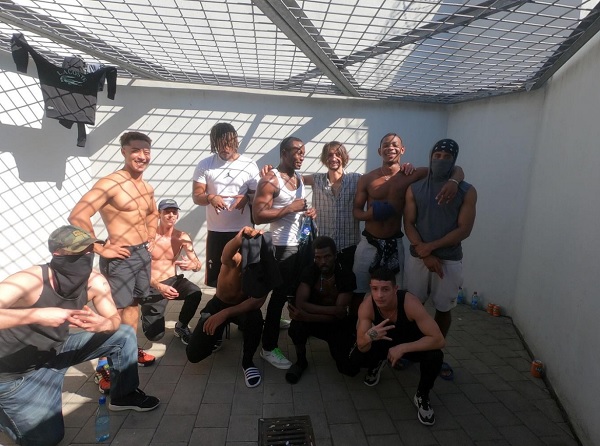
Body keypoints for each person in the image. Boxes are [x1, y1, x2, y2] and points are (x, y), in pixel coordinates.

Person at [0, 225, 159, 446]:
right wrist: (35, 315)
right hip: (17, 373)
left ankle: (124, 395)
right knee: (47, 439)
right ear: (57, 254)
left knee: (122, 334)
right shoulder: (31, 280)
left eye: (89, 250)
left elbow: (114, 319)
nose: (86, 255)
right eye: (77, 252)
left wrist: (106, 323)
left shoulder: (94, 281)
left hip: (56, 351)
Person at [69, 131, 158, 369]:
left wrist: (151, 235)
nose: (142, 156)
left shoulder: (146, 187)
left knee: (133, 305)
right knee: (113, 311)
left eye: (146, 151)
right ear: (124, 152)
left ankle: (129, 349)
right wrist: (99, 247)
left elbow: (153, 213)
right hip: (121, 256)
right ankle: (103, 364)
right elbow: (78, 215)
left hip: (142, 254)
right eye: (136, 151)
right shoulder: (110, 183)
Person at [352, 133, 464, 294]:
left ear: (402, 150)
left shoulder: (413, 175)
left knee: (395, 291)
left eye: (395, 145)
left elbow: (455, 169)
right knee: (359, 289)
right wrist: (371, 214)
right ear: (379, 151)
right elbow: (356, 212)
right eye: (386, 145)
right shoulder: (367, 179)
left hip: (394, 242)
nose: (390, 148)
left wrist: (454, 182)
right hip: (369, 242)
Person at [404, 138, 477, 381]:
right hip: (419, 259)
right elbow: (409, 223)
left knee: (444, 309)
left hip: (449, 261)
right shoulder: (415, 187)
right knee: (412, 307)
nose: (441, 160)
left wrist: (431, 248)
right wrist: (424, 253)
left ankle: (435, 353)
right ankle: (412, 350)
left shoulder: (466, 190)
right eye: (437, 155)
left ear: (454, 160)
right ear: (431, 156)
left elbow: (464, 229)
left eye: (447, 157)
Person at [252, 136, 316, 370]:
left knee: (290, 293)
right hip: (281, 247)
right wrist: (290, 208)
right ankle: (268, 348)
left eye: (303, 153)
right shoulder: (270, 180)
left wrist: (308, 212)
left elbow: (296, 210)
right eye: (297, 152)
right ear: (283, 153)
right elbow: (258, 215)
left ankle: (282, 326)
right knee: (278, 297)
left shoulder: (298, 177)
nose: (301, 156)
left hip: (299, 245)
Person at [186, 226, 278, 388]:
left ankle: (247, 362)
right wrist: (239, 237)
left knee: (255, 320)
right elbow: (225, 255)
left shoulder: (267, 269)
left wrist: (225, 314)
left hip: (242, 307)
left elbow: (256, 302)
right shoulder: (236, 260)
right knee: (194, 354)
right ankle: (218, 333)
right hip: (219, 304)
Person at [351, 267, 445, 426]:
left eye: (385, 289)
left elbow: (439, 340)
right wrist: (370, 336)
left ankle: (422, 395)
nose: (379, 295)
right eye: (375, 289)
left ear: (395, 289)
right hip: (384, 342)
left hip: (411, 344)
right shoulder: (367, 306)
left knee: (435, 356)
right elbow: (361, 345)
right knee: (356, 358)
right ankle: (378, 362)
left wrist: (403, 348)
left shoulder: (410, 303)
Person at [192, 122, 260, 287]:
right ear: (214, 143)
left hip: (244, 231)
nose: (225, 148)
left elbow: (259, 197)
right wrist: (211, 198)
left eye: (228, 143)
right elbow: (196, 196)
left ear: (235, 141)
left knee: (245, 277)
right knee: (218, 281)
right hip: (217, 231)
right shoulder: (205, 165)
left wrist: (246, 198)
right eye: (220, 144)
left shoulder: (249, 165)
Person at [285, 236, 358, 384]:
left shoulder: (345, 275)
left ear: (335, 255)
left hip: (336, 325)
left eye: (327, 256)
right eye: (318, 257)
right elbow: (301, 303)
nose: (322, 261)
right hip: (316, 320)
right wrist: (333, 310)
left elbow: (340, 315)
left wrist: (308, 316)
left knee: (349, 370)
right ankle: (301, 361)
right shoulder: (310, 271)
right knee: (296, 327)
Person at [140, 199, 203, 346]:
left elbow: (198, 265)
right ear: (159, 214)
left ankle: (181, 326)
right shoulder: (148, 238)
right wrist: (158, 286)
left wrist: (193, 265)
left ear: (177, 215)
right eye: (167, 212)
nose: (171, 215)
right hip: (152, 283)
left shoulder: (182, 237)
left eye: (174, 212)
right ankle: (147, 314)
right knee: (155, 336)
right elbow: (139, 269)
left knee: (195, 292)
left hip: (173, 280)